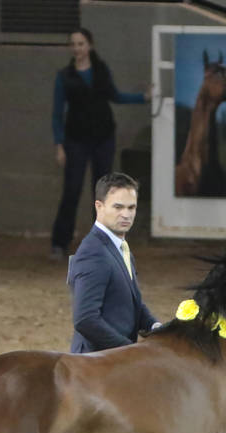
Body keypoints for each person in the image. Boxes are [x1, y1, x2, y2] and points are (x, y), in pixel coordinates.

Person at [57, 172, 159, 433]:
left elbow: (133, 303)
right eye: (118, 206)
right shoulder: (93, 253)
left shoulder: (116, 247)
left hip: (109, 370)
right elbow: (85, 319)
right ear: (98, 207)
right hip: (97, 374)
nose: (126, 214)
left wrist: (159, 330)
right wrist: (130, 352)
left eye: (132, 207)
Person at [50, 28, 150, 261]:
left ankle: (103, 242)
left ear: (90, 46)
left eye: (81, 43)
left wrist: (142, 98)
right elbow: (57, 114)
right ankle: (59, 241)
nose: (77, 48)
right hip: (76, 140)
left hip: (103, 138)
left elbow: (115, 96)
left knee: (103, 194)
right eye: (73, 44)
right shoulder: (64, 76)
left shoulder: (101, 70)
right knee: (71, 190)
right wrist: (59, 144)